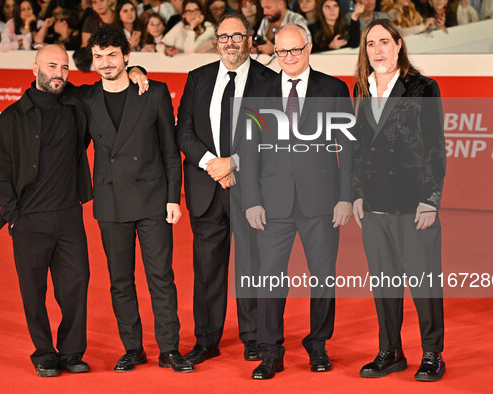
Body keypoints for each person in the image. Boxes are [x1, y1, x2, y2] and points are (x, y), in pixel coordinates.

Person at [240, 23, 353, 380]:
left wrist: (346, 197)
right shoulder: (258, 90)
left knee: (323, 276)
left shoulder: (333, 89)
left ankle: (318, 344)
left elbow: (348, 149)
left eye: (294, 50)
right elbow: (248, 148)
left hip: (321, 202)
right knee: (270, 279)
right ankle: (271, 351)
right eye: (280, 52)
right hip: (271, 205)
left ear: (308, 48)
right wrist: (251, 200)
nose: (287, 58)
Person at [78, 25, 193, 373]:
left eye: (112, 55)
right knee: (120, 280)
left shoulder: (154, 92)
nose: (105, 62)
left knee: (161, 277)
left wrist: (174, 198)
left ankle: (169, 349)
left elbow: (171, 152)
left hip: (153, 200)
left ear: (127, 56)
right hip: (110, 203)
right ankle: (132, 347)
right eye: (98, 56)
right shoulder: (86, 99)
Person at [175, 13, 276, 365]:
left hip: (250, 189)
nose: (230, 43)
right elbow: (183, 131)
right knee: (206, 268)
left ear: (249, 38)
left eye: (237, 36)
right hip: (206, 187)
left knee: (252, 264)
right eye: (223, 37)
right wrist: (211, 164)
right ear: (216, 40)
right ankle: (206, 339)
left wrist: (233, 162)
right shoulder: (198, 79)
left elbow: (272, 134)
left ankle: (253, 337)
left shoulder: (268, 81)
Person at [351, 19, 447, 382]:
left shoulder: (423, 88)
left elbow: (436, 147)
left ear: (398, 44)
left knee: (424, 283)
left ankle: (432, 354)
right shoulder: (360, 88)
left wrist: (430, 199)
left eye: (384, 42)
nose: (377, 50)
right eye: (371, 44)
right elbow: (357, 148)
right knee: (384, 283)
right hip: (374, 207)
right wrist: (356, 193)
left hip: (413, 205)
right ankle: (389, 351)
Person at [0, 44, 92, 378]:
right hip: (29, 219)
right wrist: (13, 216)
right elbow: (2, 172)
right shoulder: (11, 117)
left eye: (64, 68)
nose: (59, 73)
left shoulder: (77, 105)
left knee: (76, 284)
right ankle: (44, 352)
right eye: (52, 66)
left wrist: (138, 71)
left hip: (69, 215)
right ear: (34, 69)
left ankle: (71, 351)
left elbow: (105, 86)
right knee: (33, 291)